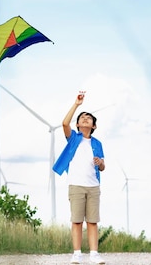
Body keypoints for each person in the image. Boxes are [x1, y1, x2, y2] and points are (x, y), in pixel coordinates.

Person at [53, 91, 106, 264]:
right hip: (76, 185)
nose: (85, 119)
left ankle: (94, 254)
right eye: (82, 117)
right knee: (76, 221)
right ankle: (77, 253)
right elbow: (64, 123)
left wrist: (100, 163)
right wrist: (77, 105)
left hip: (93, 187)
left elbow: (103, 167)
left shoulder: (97, 144)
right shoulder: (73, 139)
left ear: (94, 126)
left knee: (92, 221)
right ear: (77, 124)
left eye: (88, 118)